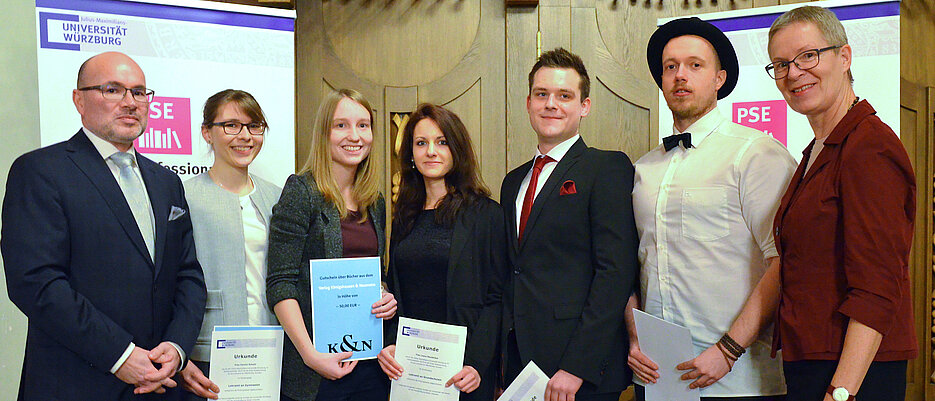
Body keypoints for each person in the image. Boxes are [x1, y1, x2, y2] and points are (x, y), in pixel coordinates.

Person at [1, 51, 206, 399]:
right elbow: (36, 282)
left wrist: (176, 347)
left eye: (139, 92)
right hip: (77, 383)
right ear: (79, 100)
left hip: (161, 383)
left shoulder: (166, 182)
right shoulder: (40, 171)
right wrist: (120, 355)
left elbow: (187, 275)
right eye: (113, 90)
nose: (130, 102)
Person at [625, 17, 795, 401]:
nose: (680, 75)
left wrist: (727, 350)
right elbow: (630, 265)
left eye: (694, 65)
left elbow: (784, 261)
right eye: (671, 67)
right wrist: (634, 337)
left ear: (719, 78)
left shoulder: (756, 154)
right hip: (658, 377)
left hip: (738, 380)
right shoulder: (644, 169)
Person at [766, 6, 916, 401]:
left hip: (852, 373)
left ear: (845, 57)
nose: (794, 72)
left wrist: (842, 390)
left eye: (807, 56)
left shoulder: (870, 145)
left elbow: (878, 287)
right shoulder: (818, 150)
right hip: (812, 362)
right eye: (780, 64)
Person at [499, 47, 639, 401]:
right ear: (529, 102)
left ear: (584, 106)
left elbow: (615, 273)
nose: (551, 104)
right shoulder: (512, 181)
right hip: (521, 366)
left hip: (578, 370)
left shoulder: (606, 169)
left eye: (565, 95)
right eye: (541, 94)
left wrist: (577, 365)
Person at [265, 88, 397, 401]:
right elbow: (280, 284)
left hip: (370, 363)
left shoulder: (374, 200)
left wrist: (384, 294)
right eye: (342, 125)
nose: (355, 135)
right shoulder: (301, 191)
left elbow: (374, 270)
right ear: (325, 133)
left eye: (363, 125)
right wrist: (311, 355)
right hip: (315, 369)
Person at [376, 103, 507, 401]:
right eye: (421, 143)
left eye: (441, 142)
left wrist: (477, 363)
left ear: (456, 150)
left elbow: (497, 296)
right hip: (410, 371)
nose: (431, 151)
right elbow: (395, 292)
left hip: (463, 373)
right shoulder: (403, 216)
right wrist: (390, 342)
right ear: (410, 154)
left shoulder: (486, 215)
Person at [178, 89, 283, 400]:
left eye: (254, 126)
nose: (245, 136)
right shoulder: (184, 197)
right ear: (207, 133)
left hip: (272, 349)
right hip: (207, 354)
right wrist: (180, 353)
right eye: (231, 125)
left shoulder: (277, 197)